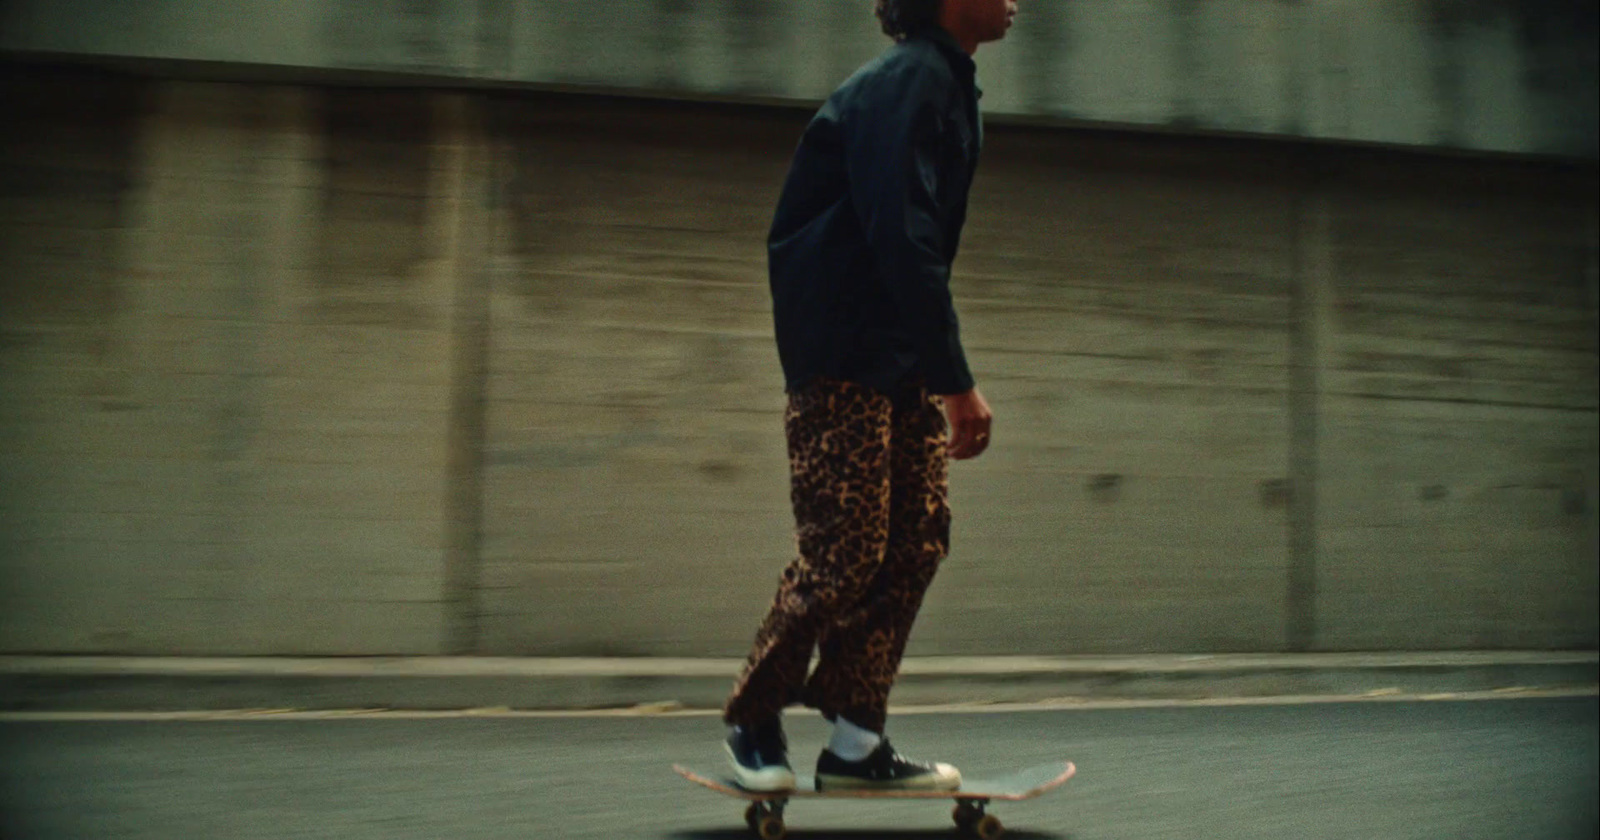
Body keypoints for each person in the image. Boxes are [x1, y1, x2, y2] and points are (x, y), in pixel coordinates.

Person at [721, 0, 1017, 793]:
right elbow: (901, 234)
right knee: (844, 549)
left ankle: (855, 743)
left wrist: (933, 369)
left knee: (917, 539)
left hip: (896, 360)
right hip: (843, 352)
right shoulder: (907, 84)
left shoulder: (946, 83)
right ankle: (753, 716)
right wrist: (956, 380)